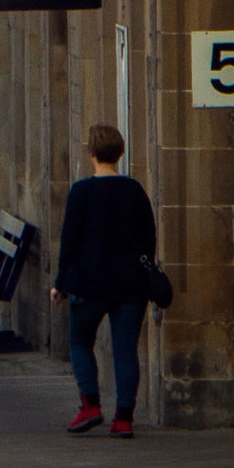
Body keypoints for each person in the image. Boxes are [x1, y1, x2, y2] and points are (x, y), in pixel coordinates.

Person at [50, 123, 157, 439]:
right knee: (126, 349)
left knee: (81, 341)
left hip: (89, 283)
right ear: (120, 153)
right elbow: (148, 239)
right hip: (130, 286)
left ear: (92, 153)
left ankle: (91, 404)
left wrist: (60, 284)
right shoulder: (135, 191)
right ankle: (124, 417)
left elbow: (69, 241)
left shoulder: (81, 192)